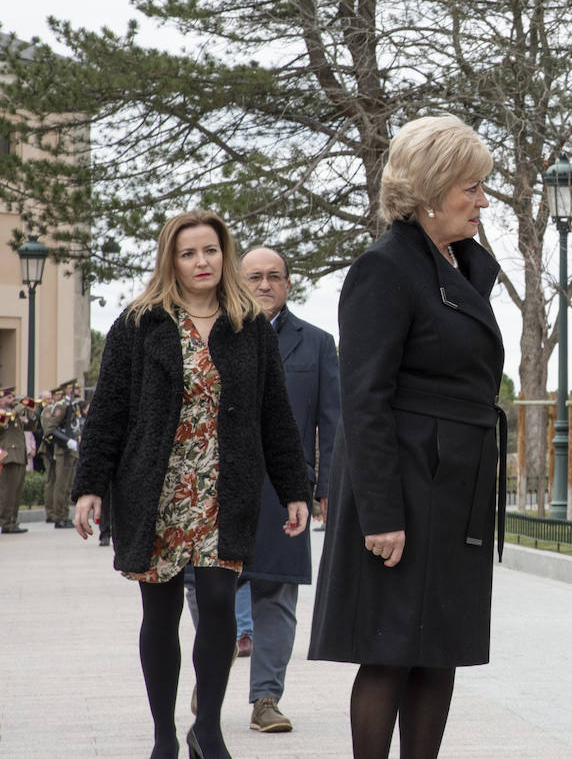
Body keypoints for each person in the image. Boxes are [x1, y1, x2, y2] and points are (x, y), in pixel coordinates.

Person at [71, 209, 311, 759]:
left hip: (224, 490)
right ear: (170, 261)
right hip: (154, 490)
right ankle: (163, 735)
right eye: (188, 253)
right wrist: (91, 486)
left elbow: (275, 415)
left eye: (210, 250)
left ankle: (210, 730)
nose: (201, 262)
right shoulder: (138, 324)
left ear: (224, 255)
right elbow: (107, 413)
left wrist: (296, 487)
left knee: (221, 603)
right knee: (159, 613)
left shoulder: (248, 326)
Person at [308, 114, 505, 759]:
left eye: (483, 187)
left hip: (454, 487)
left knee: (437, 651)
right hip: (404, 487)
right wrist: (382, 515)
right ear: (429, 190)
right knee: (391, 651)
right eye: (470, 188)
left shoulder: (463, 266)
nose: (482, 201)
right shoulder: (385, 268)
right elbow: (364, 399)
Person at [237, 245, 340, 734]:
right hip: (220, 489)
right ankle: (209, 672)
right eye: (254, 276)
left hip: (286, 491)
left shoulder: (317, 344)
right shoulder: (214, 337)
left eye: (274, 276)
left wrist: (327, 487)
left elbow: (332, 422)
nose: (264, 285)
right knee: (206, 591)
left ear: (288, 284)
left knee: (276, 595)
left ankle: (265, 699)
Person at [41, 381, 82, 528]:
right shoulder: (61, 405)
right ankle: (59, 517)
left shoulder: (73, 405)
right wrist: (66, 441)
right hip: (63, 450)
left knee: (68, 485)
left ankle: (64, 516)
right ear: (67, 390)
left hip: (72, 451)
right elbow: (50, 429)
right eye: (75, 388)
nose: (78, 390)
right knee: (61, 485)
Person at [1, 388, 38, 534]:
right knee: (7, 492)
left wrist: (31, 413)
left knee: (16, 492)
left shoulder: (14, 415)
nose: (12, 400)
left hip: (19, 456)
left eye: (13, 397)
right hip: (8, 457)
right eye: (8, 398)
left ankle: (12, 521)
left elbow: (31, 427)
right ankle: (5, 522)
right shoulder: (3, 415)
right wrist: (17, 409)